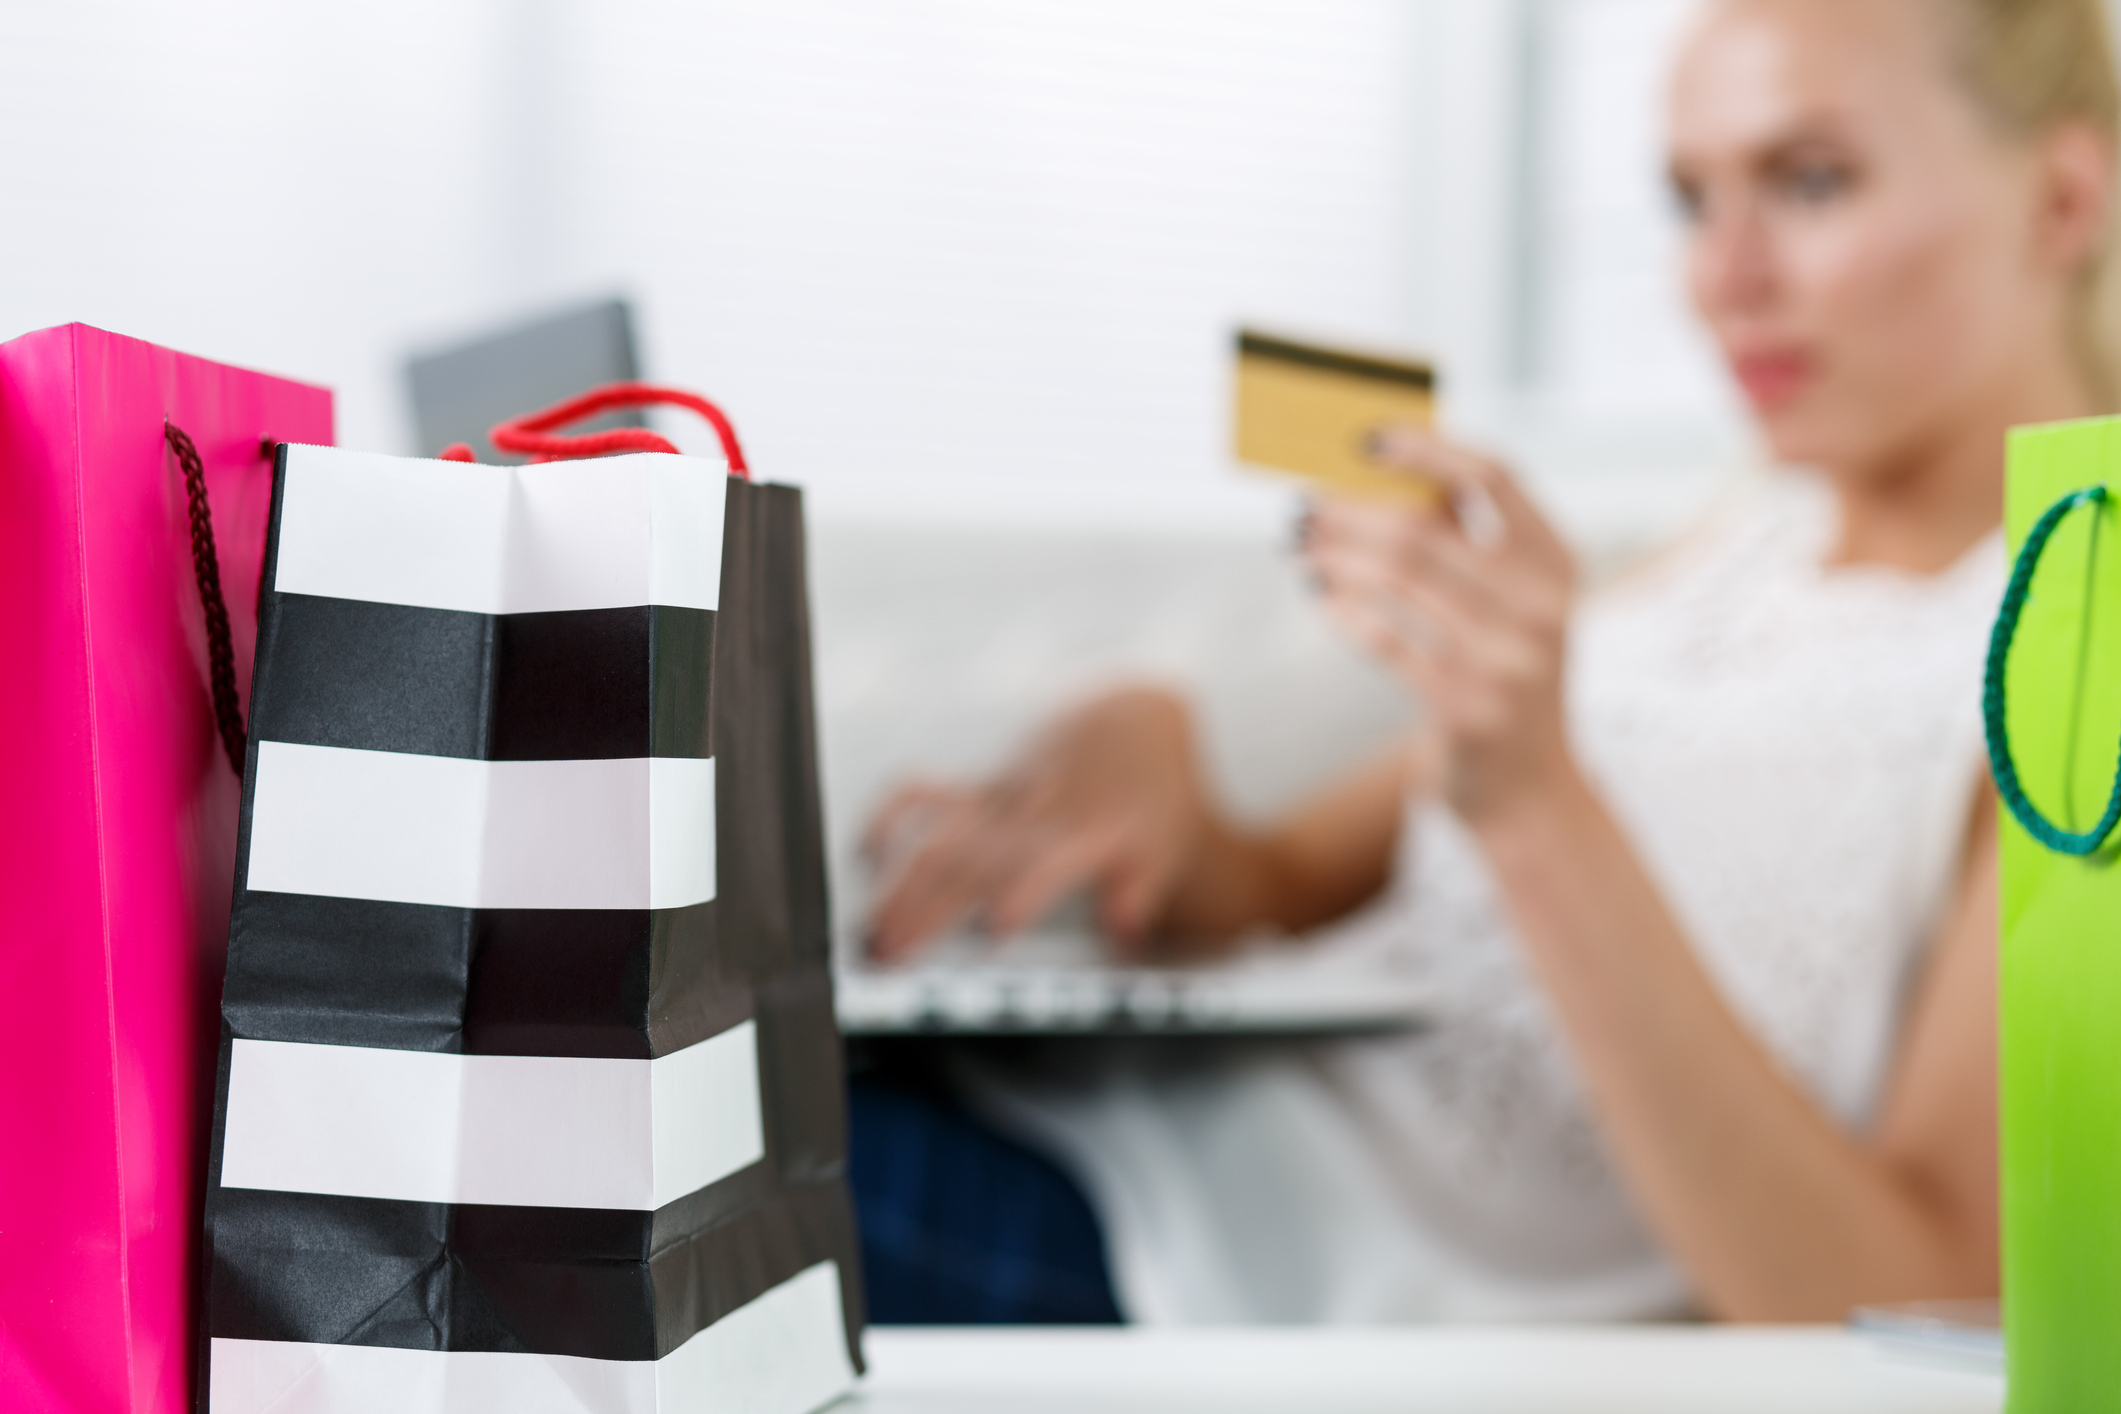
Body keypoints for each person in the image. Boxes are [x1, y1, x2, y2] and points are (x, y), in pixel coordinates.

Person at [848, 0, 2121, 1324]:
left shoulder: (2074, 649)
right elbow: (1268, 884)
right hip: (1093, 1124)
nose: (1719, 276)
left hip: (1196, 1273)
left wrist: (1535, 804)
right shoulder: (1734, 544)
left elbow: (1930, 1307)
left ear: (2062, 197)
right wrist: (1142, 741)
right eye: (1688, 197)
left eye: (1809, 181)